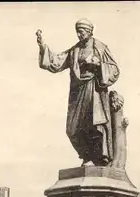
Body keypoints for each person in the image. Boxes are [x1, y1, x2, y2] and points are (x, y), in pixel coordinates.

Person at [36, 19, 120, 166]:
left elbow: (114, 70)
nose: (79, 35)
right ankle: (86, 156)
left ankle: (96, 159)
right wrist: (43, 46)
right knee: (72, 128)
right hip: (77, 91)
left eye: (81, 32)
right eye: (77, 32)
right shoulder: (75, 50)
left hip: (95, 90)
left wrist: (98, 65)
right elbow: (56, 62)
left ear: (89, 31)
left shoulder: (100, 47)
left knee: (94, 125)